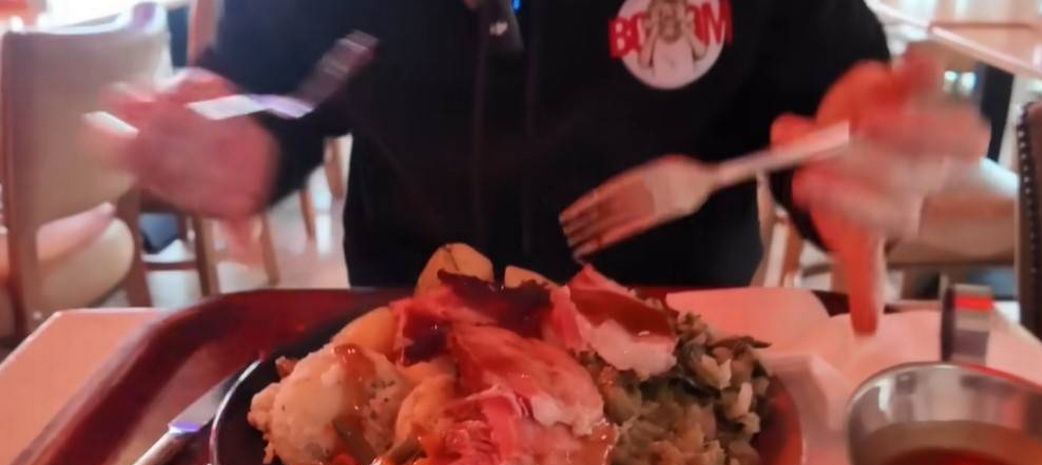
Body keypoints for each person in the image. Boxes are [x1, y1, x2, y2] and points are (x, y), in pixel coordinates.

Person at [97, 0, 987, 309]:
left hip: (680, 341)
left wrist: (855, 154)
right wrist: (236, 133)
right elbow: (268, 78)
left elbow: (828, 93)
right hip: (411, 329)